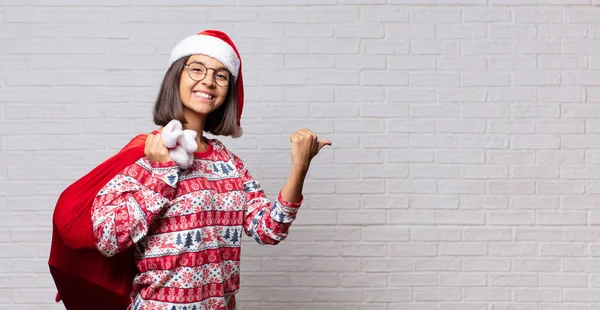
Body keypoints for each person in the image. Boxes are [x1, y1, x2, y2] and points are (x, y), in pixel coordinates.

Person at [49, 30, 331, 310]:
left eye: (221, 75)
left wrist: (300, 168)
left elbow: (268, 230)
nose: (208, 81)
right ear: (177, 77)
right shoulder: (146, 155)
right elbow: (109, 238)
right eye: (197, 69)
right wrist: (160, 173)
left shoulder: (229, 164)